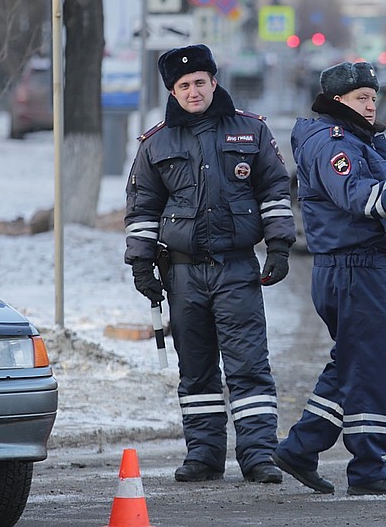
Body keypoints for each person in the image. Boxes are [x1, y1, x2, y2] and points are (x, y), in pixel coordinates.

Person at [272, 60, 386, 496]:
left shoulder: (357, 138)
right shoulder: (335, 143)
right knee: (371, 369)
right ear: (337, 103)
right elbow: (357, 195)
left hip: (360, 267)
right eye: (359, 99)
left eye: (372, 97)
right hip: (354, 268)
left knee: (352, 363)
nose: (369, 105)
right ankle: (369, 467)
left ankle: (301, 448)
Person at [124, 44, 294, 484]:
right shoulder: (156, 143)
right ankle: (203, 454)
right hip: (181, 275)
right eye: (184, 85)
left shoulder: (250, 131)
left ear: (214, 82)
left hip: (236, 269)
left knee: (249, 367)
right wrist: (141, 266)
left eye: (200, 82)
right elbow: (142, 209)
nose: (193, 91)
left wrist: (278, 247)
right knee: (195, 370)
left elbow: (274, 191)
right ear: (173, 91)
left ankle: (259, 455)